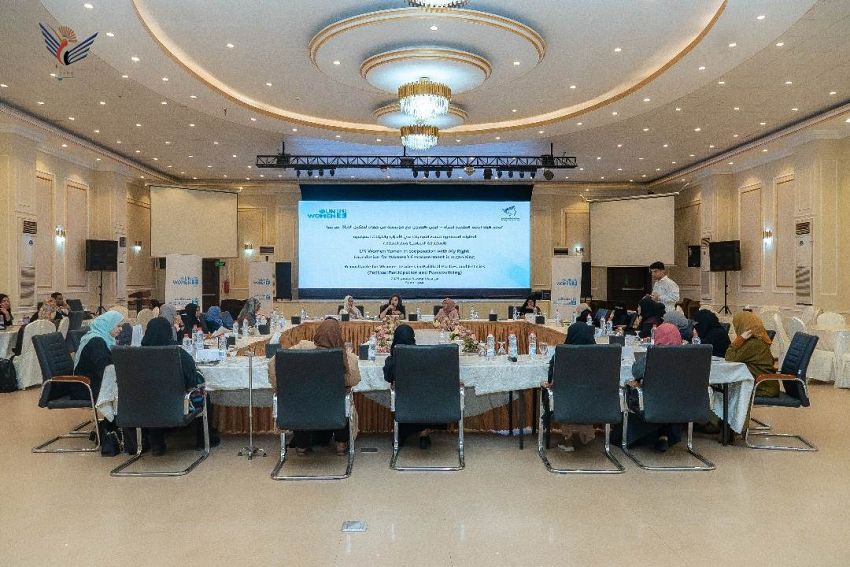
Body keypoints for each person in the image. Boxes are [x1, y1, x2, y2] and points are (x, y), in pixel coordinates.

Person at [268, 318, 360, 455]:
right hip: (333, 409)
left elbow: (273, 363)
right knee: (342, 399)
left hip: (303, 408)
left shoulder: (302, 348)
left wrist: (282, 386)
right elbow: (354, 380)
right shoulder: (345, 356)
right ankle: (341, 444)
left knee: (300, 400)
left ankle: (302, 445)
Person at [140, 317, 219, 455]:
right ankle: (203, 440)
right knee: (204, 396)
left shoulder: (136, 355)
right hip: (176, 405)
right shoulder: (177, 353)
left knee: (152, 396)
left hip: (143, 406)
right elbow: (193, 380)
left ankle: (156, 443)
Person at [382, 324, 443, 449]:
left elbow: (388, 378)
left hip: (404, 404)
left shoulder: (392, 360)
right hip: (426, 405)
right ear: (412, 338)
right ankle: (424, 433)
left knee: (400, 398)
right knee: (424, 396)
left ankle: (401, 434)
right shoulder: (423, 355)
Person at [626, 322, 684, 452]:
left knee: (630, 391)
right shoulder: (689, 356)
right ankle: (665, 435)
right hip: (681, 404)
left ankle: (645, 435)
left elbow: (636, 371)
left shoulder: (654, 355)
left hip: (652, 404)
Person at [544, 322, 598, 451]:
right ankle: (586, 432)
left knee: (559, 392)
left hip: (566, 404)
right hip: (595, 403)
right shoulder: (601, 354)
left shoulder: (562, 353)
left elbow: (551, 378)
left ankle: (568, 438)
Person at [72, 311, 124, 401]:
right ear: (108, 325)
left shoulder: (103, 339)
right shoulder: (96, 342)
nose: (121, 329)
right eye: (118, 326)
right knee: (132, 388)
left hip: (94, 383)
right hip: (87, 388)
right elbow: (104, 370)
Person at [725, 311, 778, 399]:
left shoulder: (753, 343)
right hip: (764, 384)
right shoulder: (758, 339)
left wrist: (740, 339)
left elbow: (729, 358)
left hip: (763, 388)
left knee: (727, 393)